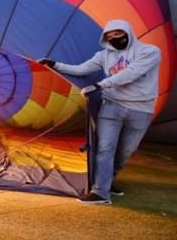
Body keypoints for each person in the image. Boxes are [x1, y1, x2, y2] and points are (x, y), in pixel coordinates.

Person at [37, 19, 161, 205]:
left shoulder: (149, 51)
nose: (114, 39)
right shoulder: (104, 55)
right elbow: (81, 69)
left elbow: (133, 72)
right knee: (104, 149)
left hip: (141, 108)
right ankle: (100, 192)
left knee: (125, 152)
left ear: (128, 33)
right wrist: (54, 64)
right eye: (110, 37)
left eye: (118, 35)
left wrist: (101, 84)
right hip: (111, 106)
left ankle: (108, 182)